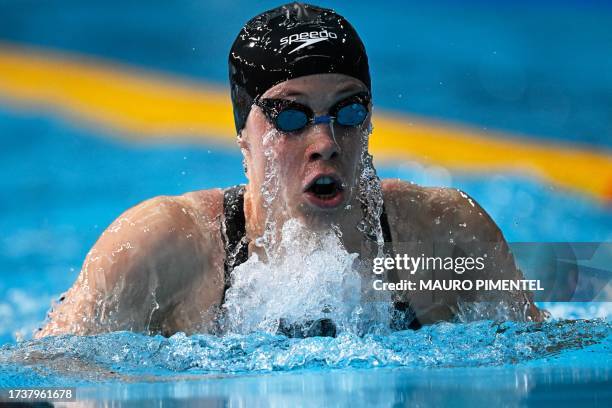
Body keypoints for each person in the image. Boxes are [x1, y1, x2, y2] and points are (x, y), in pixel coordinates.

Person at [36, 2, 544, 339]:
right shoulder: (163, 247)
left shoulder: (444, 237)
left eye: (349, 111)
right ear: (244, 135)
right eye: (291, 117)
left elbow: (549, 348)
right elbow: (50, 378)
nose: (325, 144)